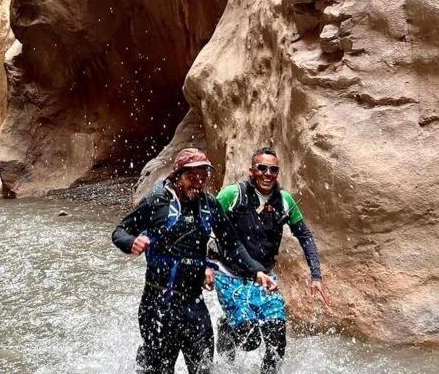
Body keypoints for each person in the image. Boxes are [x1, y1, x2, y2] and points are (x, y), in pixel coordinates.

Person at [112, 148, 277, 374]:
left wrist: (256, 271)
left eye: (203, 177)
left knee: (203, 369)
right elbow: (119, 231)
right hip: (158, 303)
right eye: (192, 176)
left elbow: (232, 245)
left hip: (193, 303)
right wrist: (131, 242)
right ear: (177, 175)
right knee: (158, 370)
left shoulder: (209, 205)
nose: (198, 183)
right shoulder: (156, 202)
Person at [211, 147, 329, 373]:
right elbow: (206, 222)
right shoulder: (233, 195)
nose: (267, 174)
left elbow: (304, 236)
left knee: (277, 337)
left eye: (273, 169)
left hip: (265, 278)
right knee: (250, 340)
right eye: (262, 168)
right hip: (230, 276)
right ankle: (226, 328)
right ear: (252, 171)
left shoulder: (284, 200)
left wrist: (316, 275)